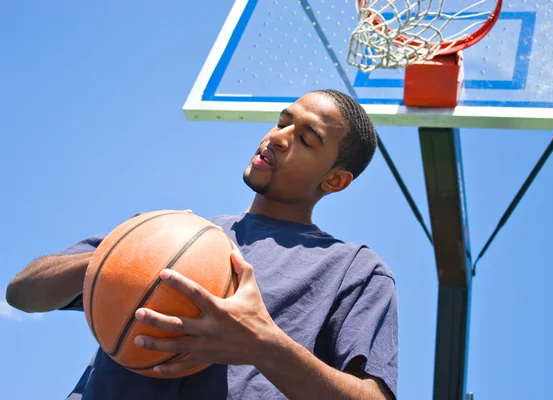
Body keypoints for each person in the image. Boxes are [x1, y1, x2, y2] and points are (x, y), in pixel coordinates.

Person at [6, 89, 398, 399]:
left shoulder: (354, 270)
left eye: (306, 140)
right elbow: (23, 293)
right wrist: (119, 258)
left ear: (334, 181)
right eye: (282, 122)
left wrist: (263, 344)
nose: (278, 138)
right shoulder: (167, 232)